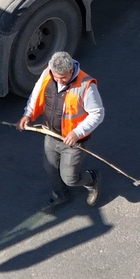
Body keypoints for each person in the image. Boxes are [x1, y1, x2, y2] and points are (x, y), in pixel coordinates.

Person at [17, 50, 103, 208]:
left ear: (71, 70)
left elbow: (97, 113)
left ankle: (92, 179)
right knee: (50, 169)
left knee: (70, 178)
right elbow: (37, 94)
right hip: (50, 135)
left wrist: (77, 132)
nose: (59, 81)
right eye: (56, 77)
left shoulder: (86, 86)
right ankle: (61, 195)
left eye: (63, 78)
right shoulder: (48, 74)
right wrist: (27, 114)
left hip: (73, 142)